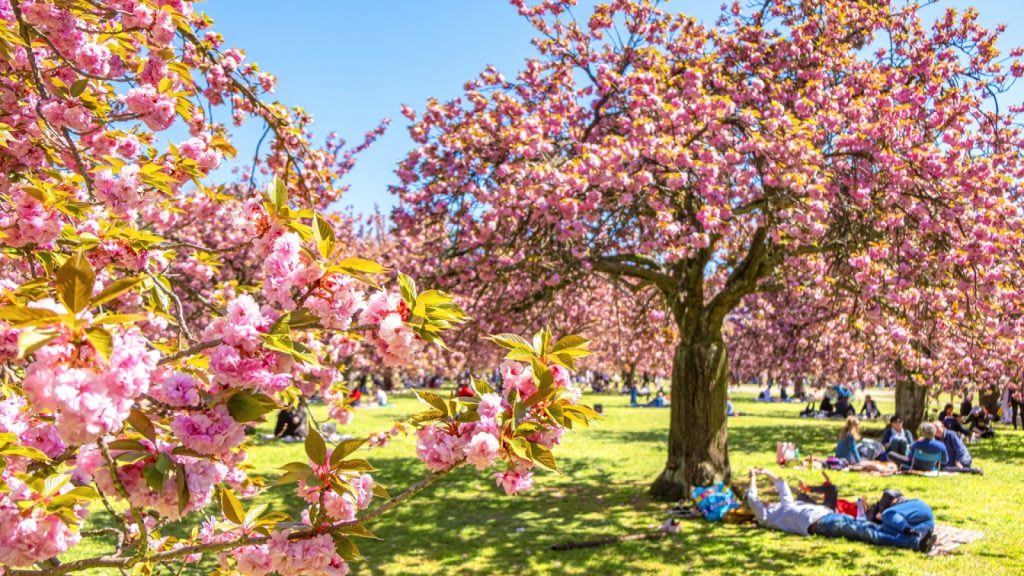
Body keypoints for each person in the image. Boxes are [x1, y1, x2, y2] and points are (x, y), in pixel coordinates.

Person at [747, 469, 936, 553]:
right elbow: (753, 498)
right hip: (819, 524)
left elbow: (782, 485)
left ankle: (914, 540)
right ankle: (913, 543)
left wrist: (766, 473)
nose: (768, 502)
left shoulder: (783, 507)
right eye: (765, 503)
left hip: (828, 516)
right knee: (867, 531)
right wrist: (753, 478)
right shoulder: (768, 517)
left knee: (869, 528)